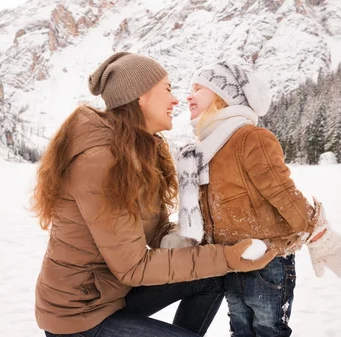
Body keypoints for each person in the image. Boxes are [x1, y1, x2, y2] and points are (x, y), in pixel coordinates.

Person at [31, 52, 277, 337]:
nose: (176, 100)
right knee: (217, 264)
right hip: (79, 316)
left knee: (211, 277)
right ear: (140, 96)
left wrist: (207, 238)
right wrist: (226, 256)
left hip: (112, 295)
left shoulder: (137, 151)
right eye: (168, 89)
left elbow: (158, 230)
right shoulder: (101, 161)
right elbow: (134, 268)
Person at [162, 60, 341, 337]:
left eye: (198, 89)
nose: (188, 96)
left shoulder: (249, 138)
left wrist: (319, 235)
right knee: (240, 330)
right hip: (230, 260)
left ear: (223, 95)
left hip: (268, 261)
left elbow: (282, 192)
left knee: (268, 331)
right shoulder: (201, 151)